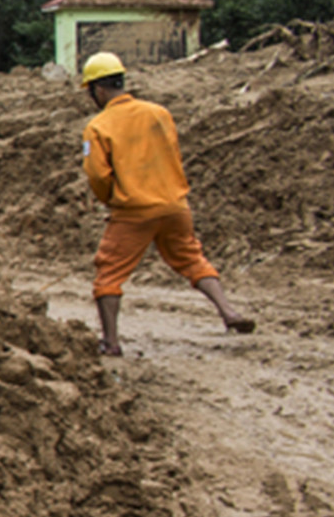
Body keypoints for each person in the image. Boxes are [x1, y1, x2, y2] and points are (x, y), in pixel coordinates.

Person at [79, 51, 254, 356]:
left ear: (99, 89)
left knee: (109, 274)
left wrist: (110, 199)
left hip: (134, 211)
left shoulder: (98, 126)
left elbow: (97, 174)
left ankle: (111, 342)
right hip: (175, 205)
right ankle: (228, 312)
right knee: (192, 259)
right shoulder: (160, 113)